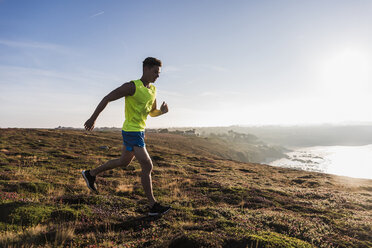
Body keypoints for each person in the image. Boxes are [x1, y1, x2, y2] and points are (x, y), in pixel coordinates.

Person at [82, 57, 171, 216]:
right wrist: (93, 118)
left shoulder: (153, 90)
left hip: (140, 131)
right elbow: (107, 98)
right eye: (155, 72)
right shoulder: (131, 86)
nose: (158, 75)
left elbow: (151, 112)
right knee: (147, 166)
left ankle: (91, 173)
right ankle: (153, 206)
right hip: (131, 131)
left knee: (123, 162)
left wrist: (162, 112)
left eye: (159, 73)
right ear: (146, 69)